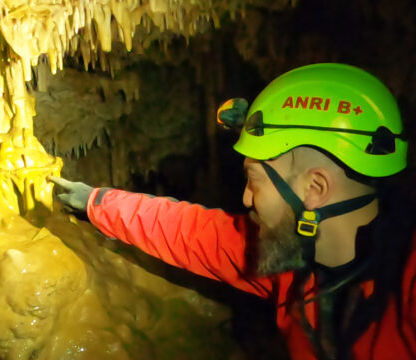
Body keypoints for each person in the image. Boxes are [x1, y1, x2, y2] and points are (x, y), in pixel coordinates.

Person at [48, 63, 416, 359]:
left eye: (254, 179)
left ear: (314, 189)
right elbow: (188, 231)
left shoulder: (407, 287)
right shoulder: (288, 259)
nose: (245, 198)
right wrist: (95, 202)